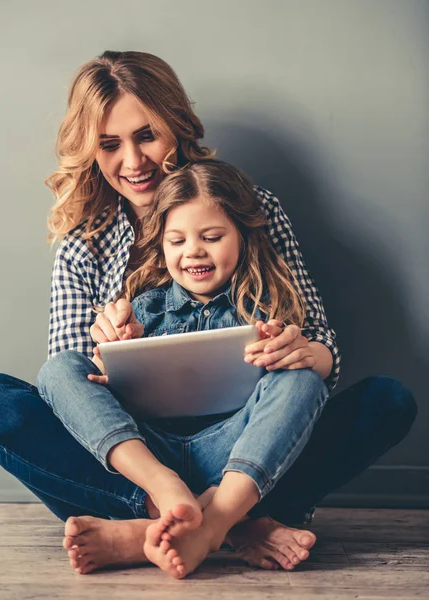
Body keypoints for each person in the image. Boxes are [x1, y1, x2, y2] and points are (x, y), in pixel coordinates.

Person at [0, 51, 416, 576]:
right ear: (91, 151)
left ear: (177, 126)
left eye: (147, 136)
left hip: (243, 442)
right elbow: (71, 396)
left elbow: (317, 351)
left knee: (385, 399)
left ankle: (154, 532)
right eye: (110, 145)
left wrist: (305, 351)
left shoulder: (248, 207)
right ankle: (220, 522)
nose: (133, 162)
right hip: (140, 455)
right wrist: (107, 349)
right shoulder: (83, 242)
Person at [36, 159, 336, 579]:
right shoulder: (143, 307)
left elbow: (295, 390)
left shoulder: (268, 309)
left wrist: (295, 354)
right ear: (161, 246)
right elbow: (98, 395)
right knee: (60, 369)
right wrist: (115, 359)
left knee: (305, 376)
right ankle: (173, 497)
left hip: (234, 455)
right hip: (152, 453)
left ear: (242, 238)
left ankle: (209, 526)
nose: (193, 251)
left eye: (211, 237)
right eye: (176, 241)